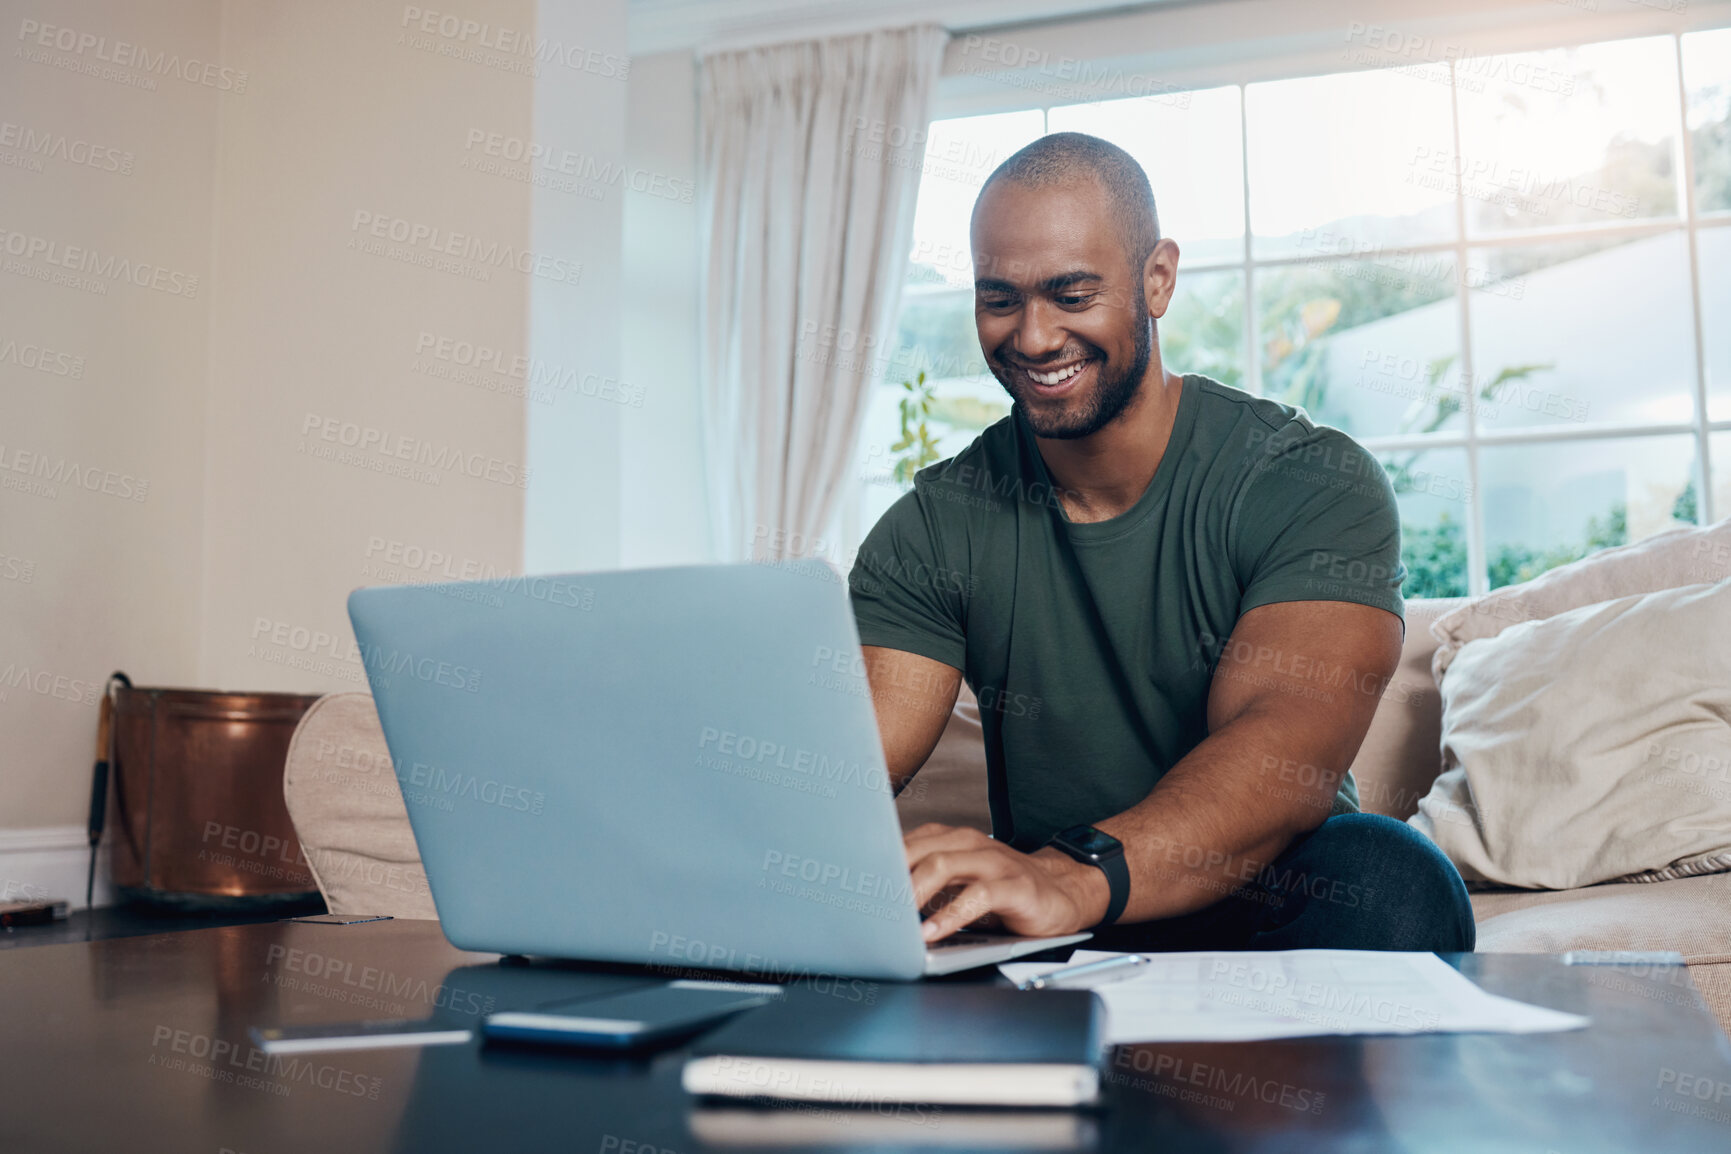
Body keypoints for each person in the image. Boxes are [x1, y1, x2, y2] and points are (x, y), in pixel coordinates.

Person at [848, 132, 1473, 954]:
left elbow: (1279, 741)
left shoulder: (1308, 480)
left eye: (1071, 296)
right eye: (999, 300)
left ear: (1157, 279)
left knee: (1391, 877)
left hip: (1251, 898)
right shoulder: (933, 524)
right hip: (1055, 925)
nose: (1032, 338)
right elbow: (849, 767)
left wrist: (1074, 878)